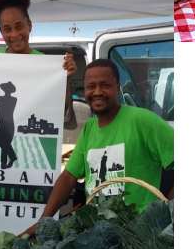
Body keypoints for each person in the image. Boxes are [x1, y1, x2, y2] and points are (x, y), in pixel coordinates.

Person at [20, 59, 174, 236]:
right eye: (91, 86)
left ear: (118, 87)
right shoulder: (89, 128)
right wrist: (42, 222)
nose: (97, 92)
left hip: (139, 236)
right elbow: (69, 177)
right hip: (97, 233)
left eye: (105, 85)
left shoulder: (143, 120)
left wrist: (168, 214)